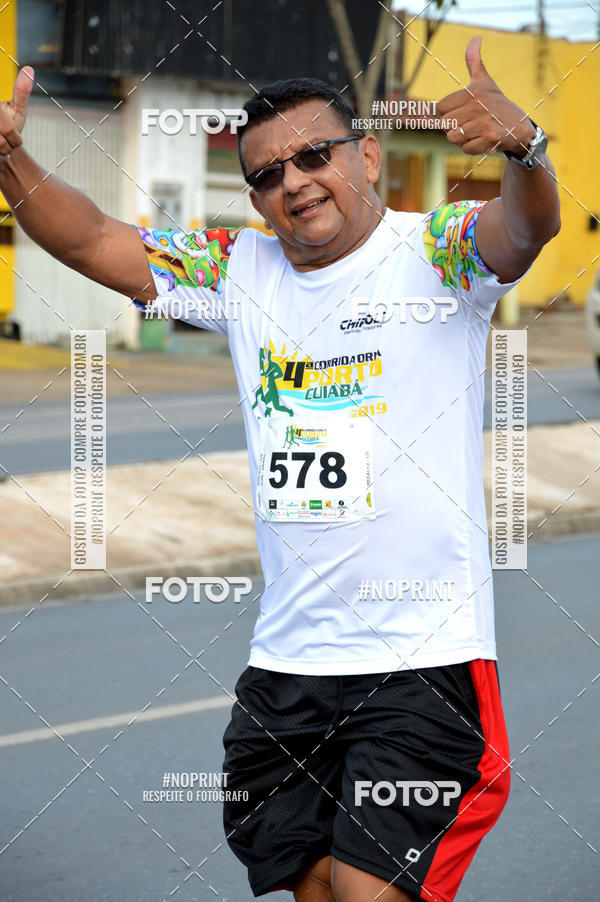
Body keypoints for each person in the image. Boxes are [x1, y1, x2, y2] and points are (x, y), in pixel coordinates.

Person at [0, 35, 560, 902]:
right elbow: (91, 240)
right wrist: (11, 163)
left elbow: (524, 230)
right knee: (322, 889)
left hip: (423, 660)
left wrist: (526, 152)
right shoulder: (237, 271)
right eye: (266, 173)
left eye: (313, 155)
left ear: (366, 156)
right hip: (288, 670)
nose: (293, 181)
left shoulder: (437, 253)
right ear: (256, 197)